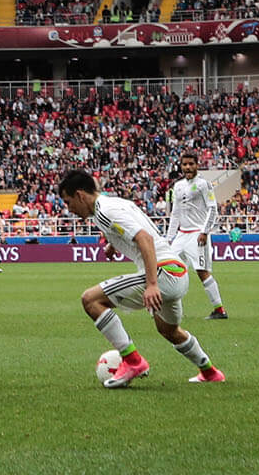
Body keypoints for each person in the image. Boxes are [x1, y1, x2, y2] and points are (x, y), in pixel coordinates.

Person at [58, 169, 223, 387]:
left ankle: (132, 360)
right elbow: (141, 228)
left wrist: (152, 284)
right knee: (169, 331)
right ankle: (210, 372)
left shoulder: (106, 209)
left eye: (68, 202)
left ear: (80, 195)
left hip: (162, 274)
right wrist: (112, 244)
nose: (69, 209)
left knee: (91, 300)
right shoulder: (114, 204)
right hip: (177, 271)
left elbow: (144, 238)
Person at [165, 153, 227, 319]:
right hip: (181, 235)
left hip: (197, 234)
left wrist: (205, 231)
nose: (187, 167)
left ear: (197, 165)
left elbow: (212, 208)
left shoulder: (204, 184)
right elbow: (175, 213)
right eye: (184, 164)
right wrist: (169, 238)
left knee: (202, 271)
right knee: (167, 268)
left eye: (191, 164)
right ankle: (168, 309)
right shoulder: (177, 186)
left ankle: (219, 309)